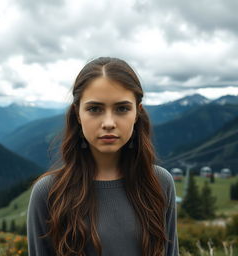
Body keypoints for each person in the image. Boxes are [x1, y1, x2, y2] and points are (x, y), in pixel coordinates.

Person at [27, 57, 179, 256]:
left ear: (137, 113)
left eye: (122, 108)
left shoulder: (159, 183)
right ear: (78, 114)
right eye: (95, 109)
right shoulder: (49, 193)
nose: (108, 122)